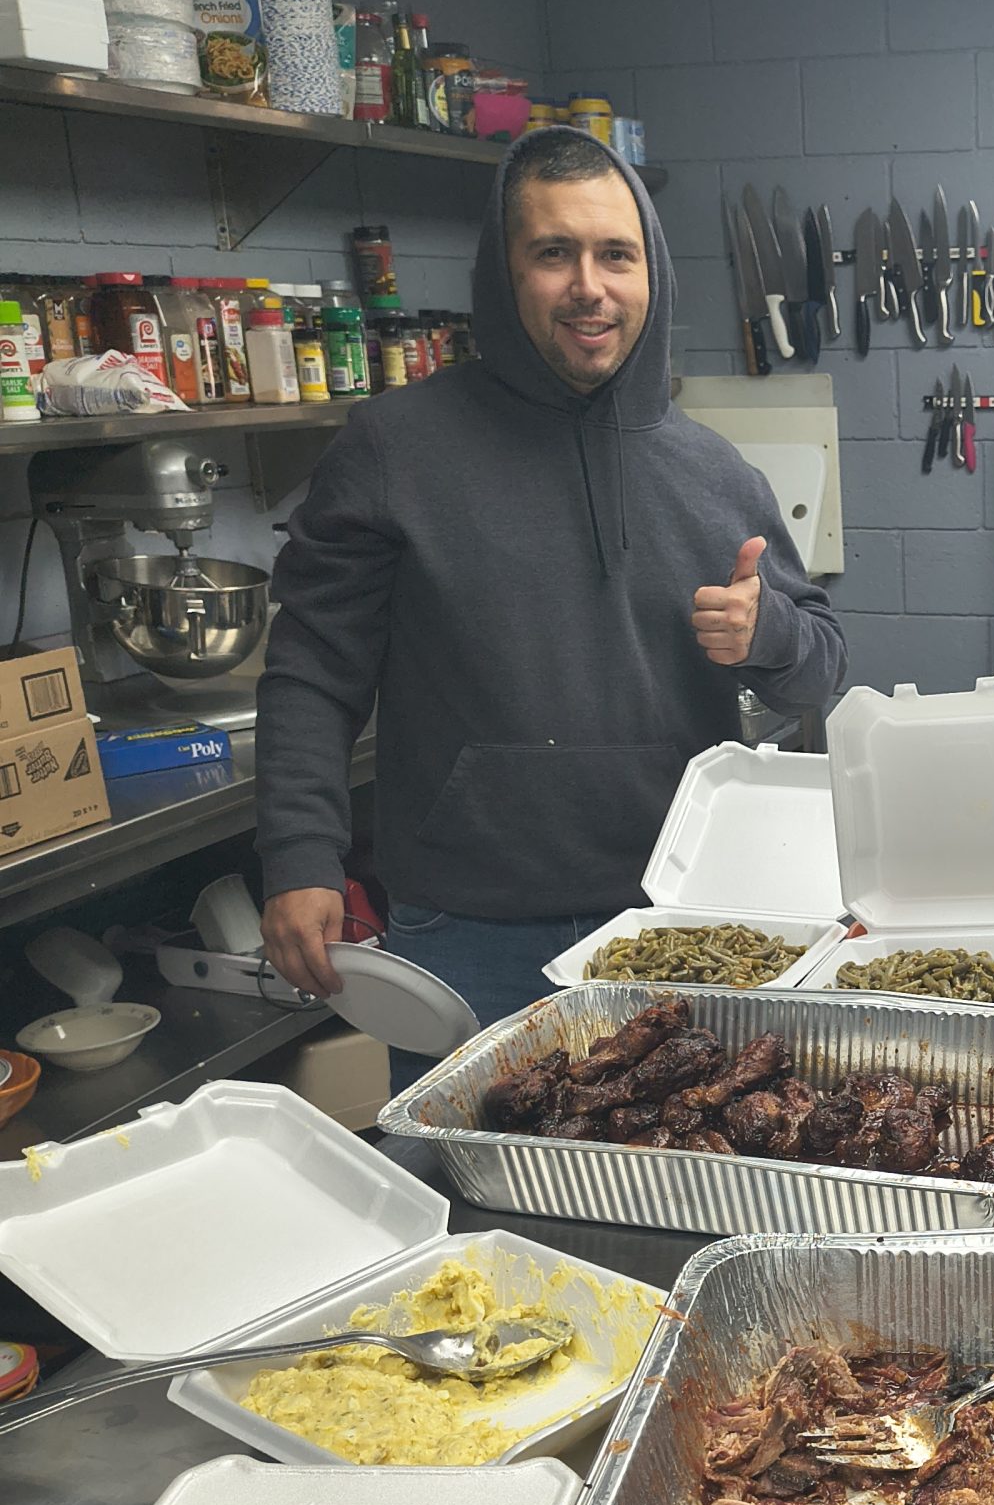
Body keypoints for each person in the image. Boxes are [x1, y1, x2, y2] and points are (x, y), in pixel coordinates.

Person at [256, 128, 845, 1070]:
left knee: (672, 1191)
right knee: (471, 1203)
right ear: (506, 272)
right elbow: (310, 676)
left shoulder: (713, 470)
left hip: (679, 927)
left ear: (651, 273)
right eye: (552, 253)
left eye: (617, 254)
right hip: (467, 931)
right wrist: (299, 856)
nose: (589, 286)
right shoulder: (393, 450)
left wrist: (768, 631)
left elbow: (819, 663)